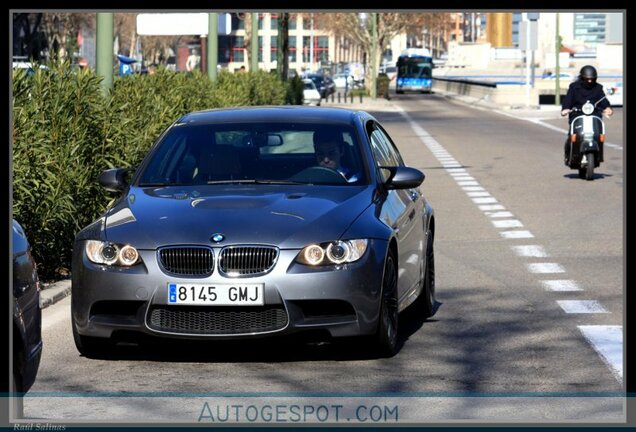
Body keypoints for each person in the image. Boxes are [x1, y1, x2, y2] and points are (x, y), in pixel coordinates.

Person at [560, 65, 613, 164]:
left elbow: (603, 101)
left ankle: (598, 155)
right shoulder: (574, 87)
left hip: (594, 115)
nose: (589, 81)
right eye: (587, 79)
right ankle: (568, 154)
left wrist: (608, 108)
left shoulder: (598, 88)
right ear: (582, 77)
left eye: (592, 79)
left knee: (598, 135)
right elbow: (568, 99)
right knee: (572, 135)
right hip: (577, 114)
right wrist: (565, 109)